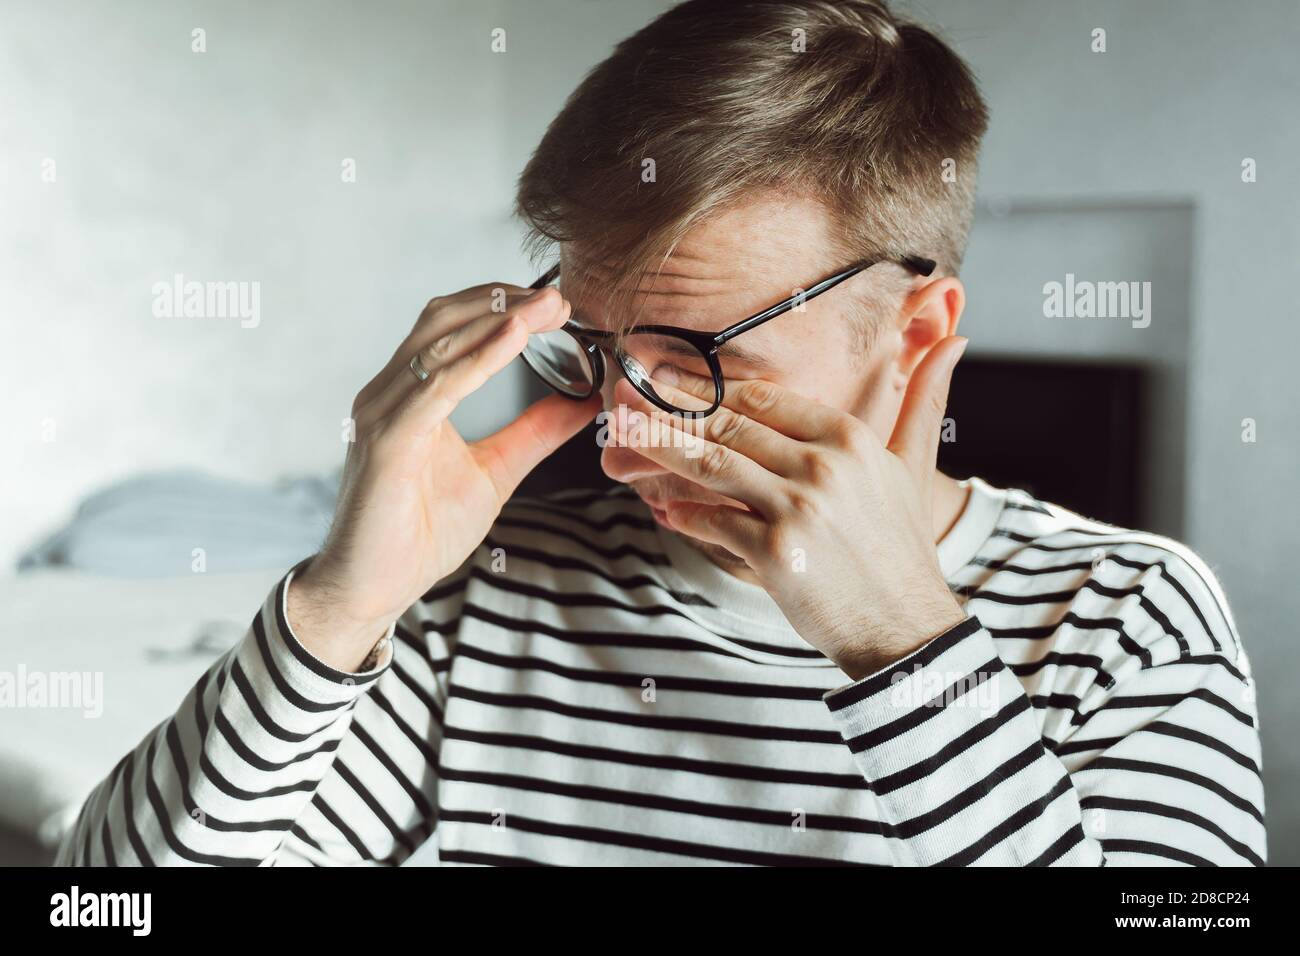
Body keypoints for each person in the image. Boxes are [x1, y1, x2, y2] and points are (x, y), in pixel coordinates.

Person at [58, 0, 1264, 866]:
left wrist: (901, 643)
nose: (622, 443)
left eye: (699, 364)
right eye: (596, 352)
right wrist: (336, 607)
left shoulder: (1125, 618)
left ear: (914, 327)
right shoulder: (497, 599)